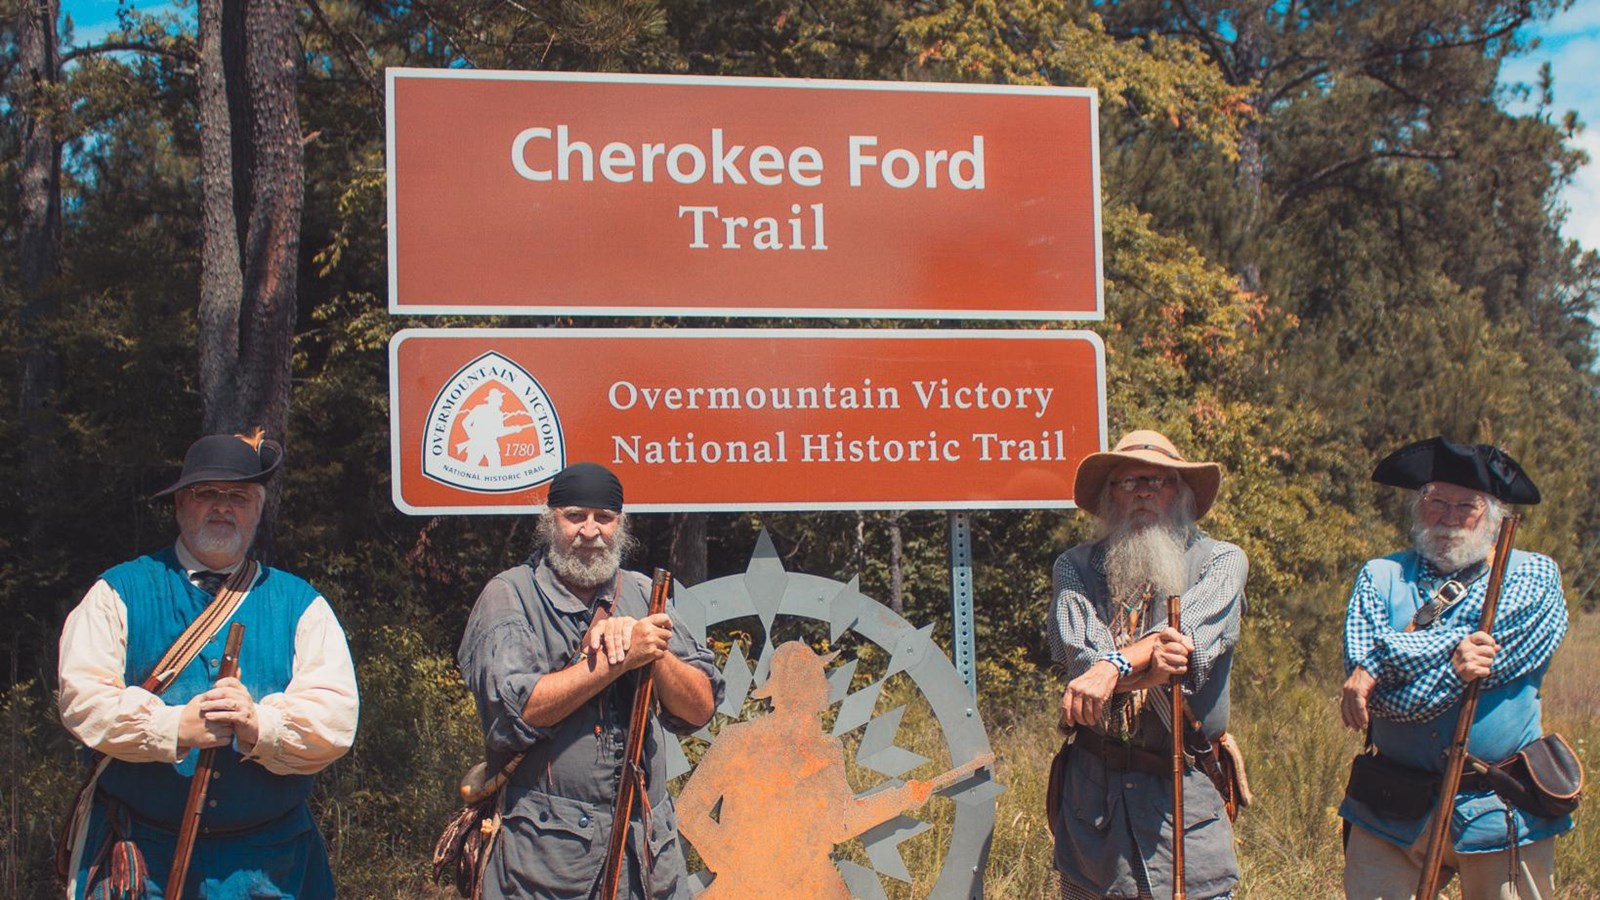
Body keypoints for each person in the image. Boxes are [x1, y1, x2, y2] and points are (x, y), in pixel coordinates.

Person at [58, 430, 359, 899]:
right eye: (206, 494)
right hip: (141, 858)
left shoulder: (302, 605)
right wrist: (174, 726)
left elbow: (336, 720)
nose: (222, 507)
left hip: (270, 864)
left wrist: (259, 724)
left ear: (258, 510)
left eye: (237, 496)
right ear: (180, 504)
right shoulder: (117, 592)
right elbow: (83, 702)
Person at [457, 462, 723, 899]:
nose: (590, 530)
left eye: (604, 518)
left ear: (620, 524)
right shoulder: (510, 596)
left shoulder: (641, 593)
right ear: (550, 521)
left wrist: (649, 652)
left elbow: (699, 708)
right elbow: (516, 714)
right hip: (544, 864)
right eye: (575, 516)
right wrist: (615, 662)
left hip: (646, 860)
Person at [1339, 437, 1570, 899]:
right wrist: (1457, 659)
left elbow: (1376, 680)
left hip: (1500, 807)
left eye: (1466, 506)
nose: (1448, 517)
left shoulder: (1534, 576)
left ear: (1492, 514)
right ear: (1418, 505)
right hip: (1390, 807)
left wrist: (1382, 662)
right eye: (1436, 502)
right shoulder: (1379, 575)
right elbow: (1381, 702)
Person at [1047, 429, 1246, 900]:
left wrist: (1114, 666)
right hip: (1095, 808)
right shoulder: (1074, 568)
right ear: (1109, 495)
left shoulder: (1222, 562)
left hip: (1184, 803)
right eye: (1129, 480)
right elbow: (1083, 661)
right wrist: (1146, 666)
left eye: (1157, 481)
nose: (1143, 491)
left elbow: (1186, 643)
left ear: (1180, 492)